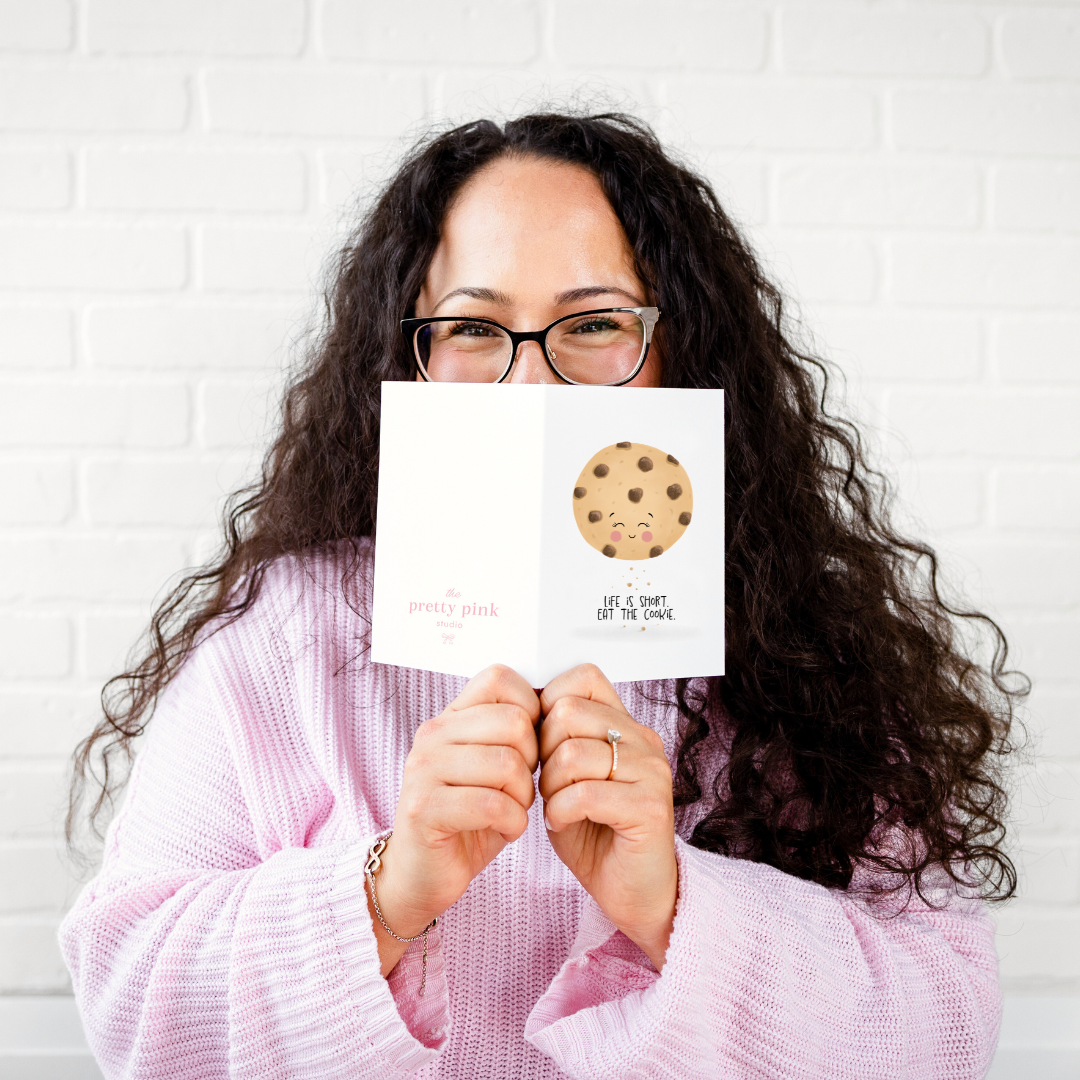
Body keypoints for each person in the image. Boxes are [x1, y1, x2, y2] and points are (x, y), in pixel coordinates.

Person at [61, 113, 1022, 1079]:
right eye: (475, 327)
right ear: (409, 356)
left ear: (683, 351)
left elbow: (942, 1026)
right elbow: (130, 994)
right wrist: (387, 892)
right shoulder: (286, 636)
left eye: (597, 322)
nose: (528, 380)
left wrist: (675, 907)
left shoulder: (804, 648)